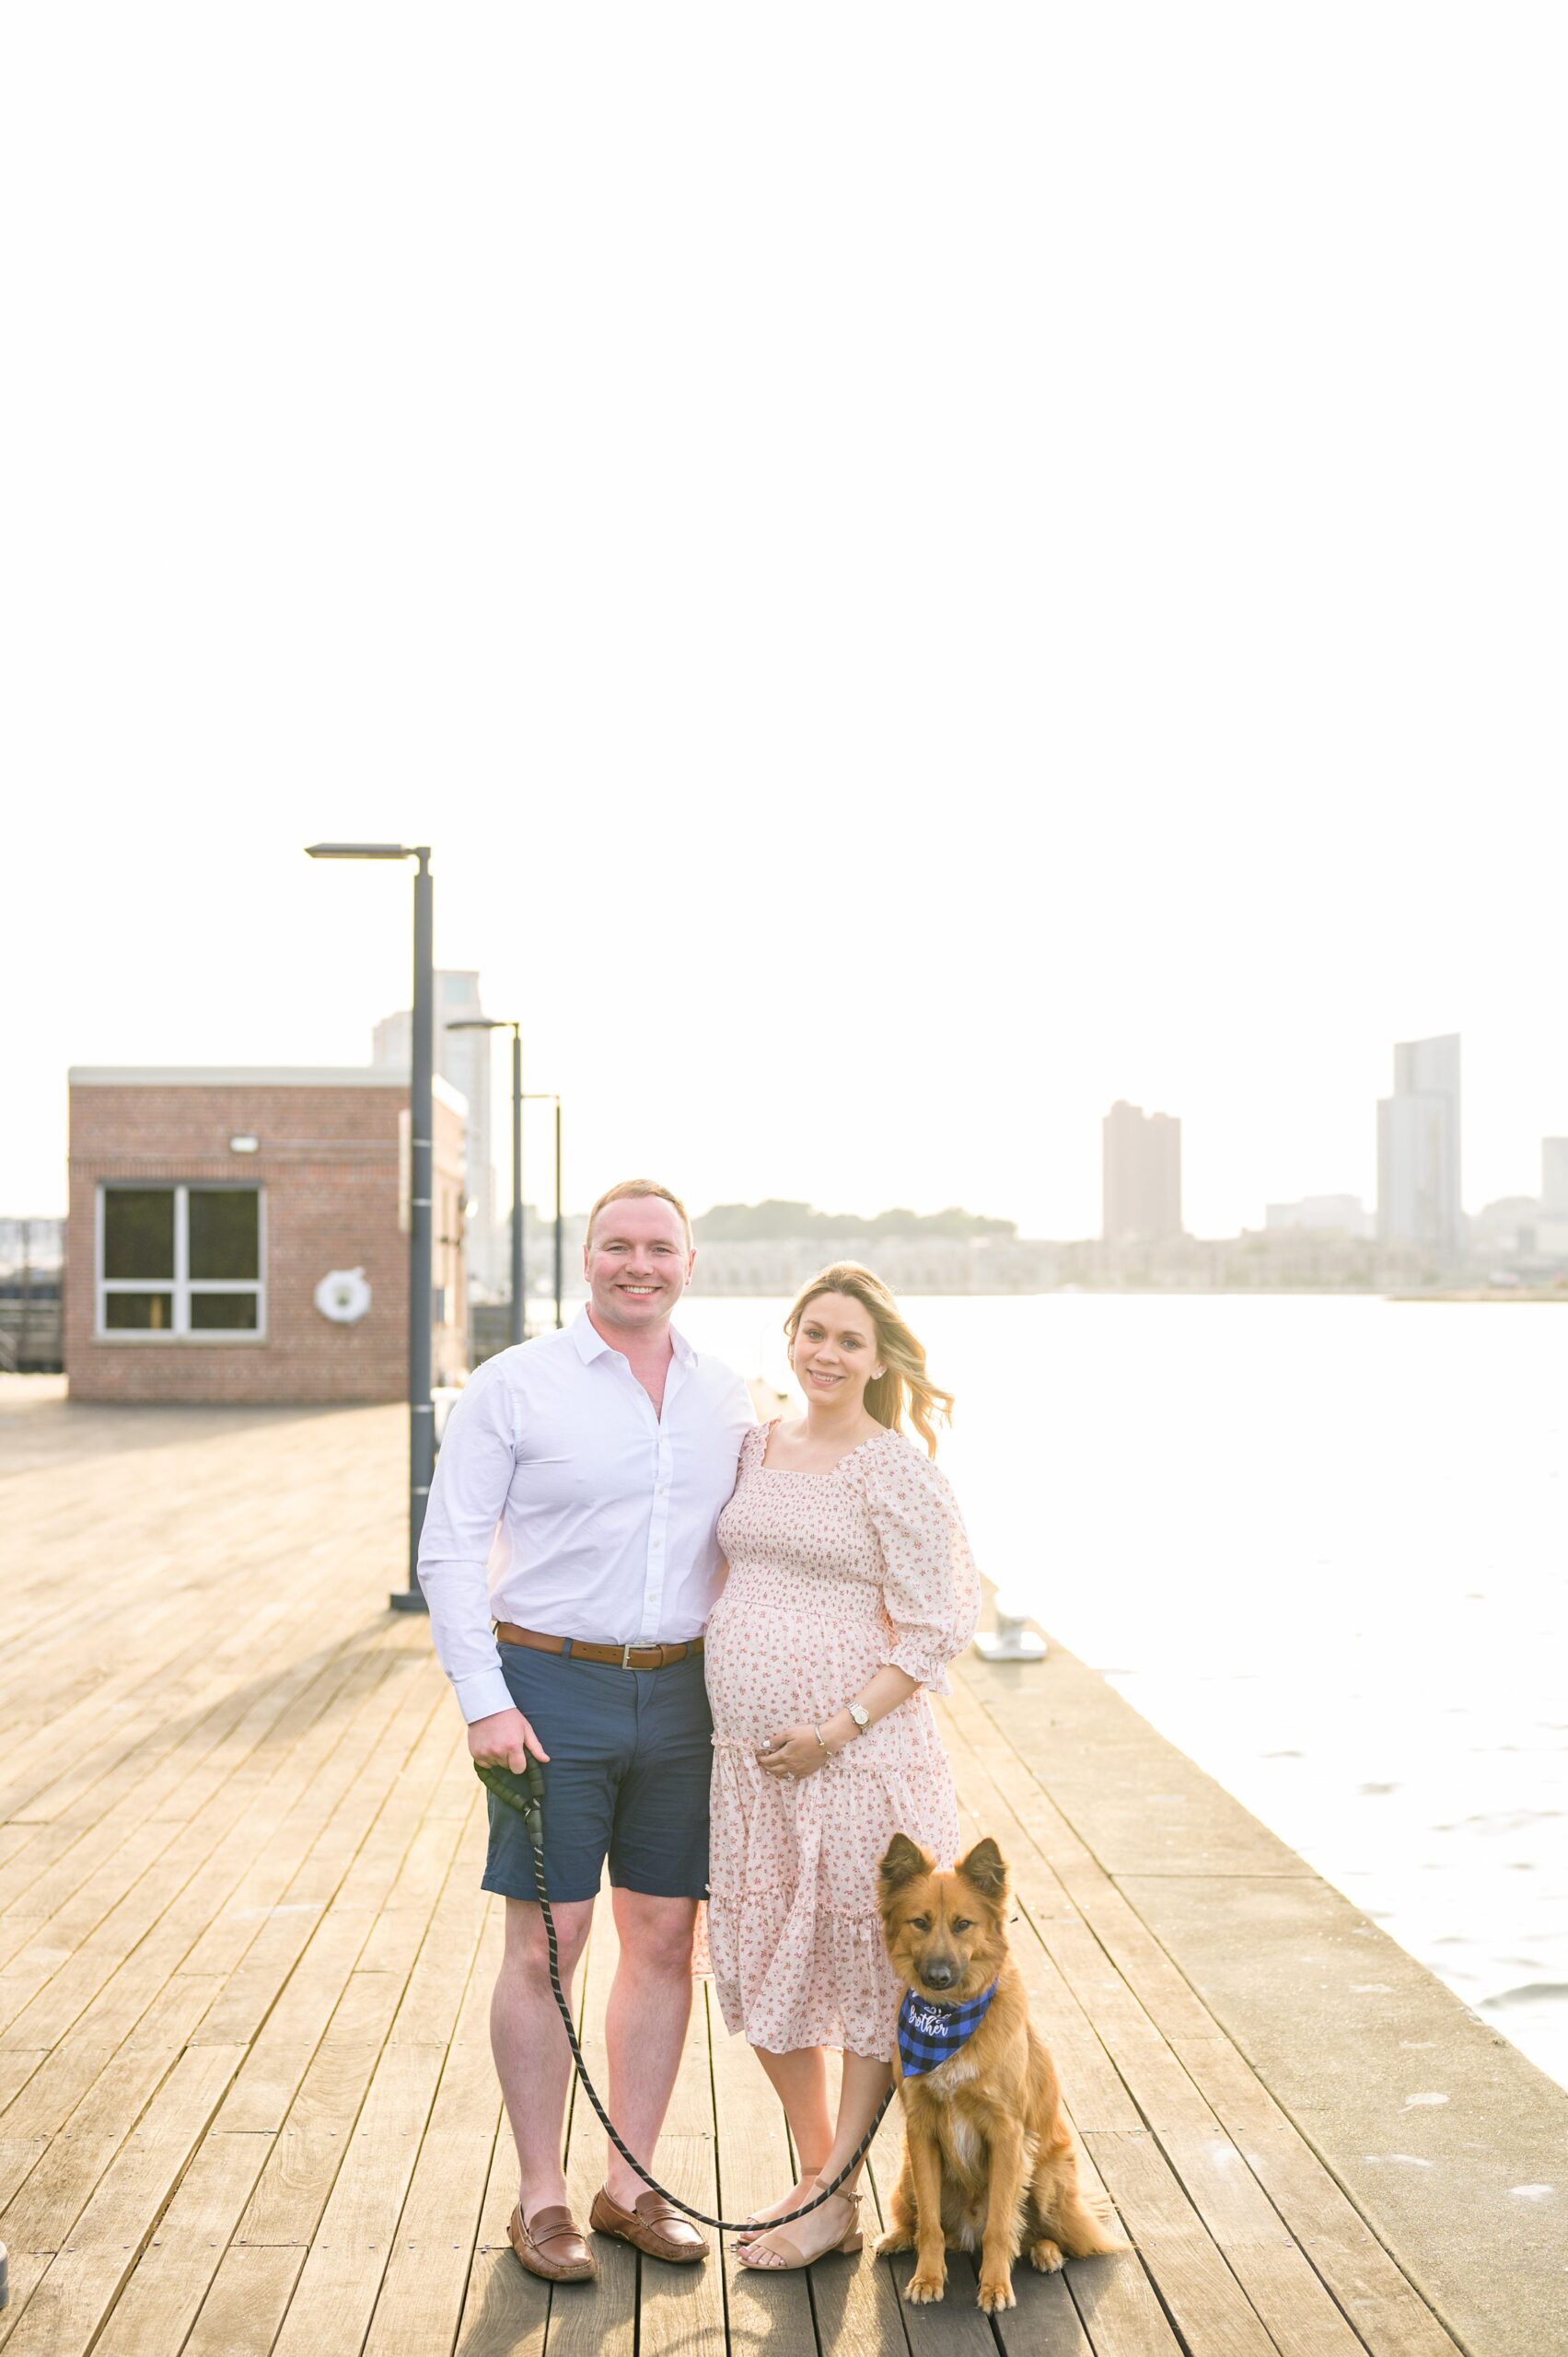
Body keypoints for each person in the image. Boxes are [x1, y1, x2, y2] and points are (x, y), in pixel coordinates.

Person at [417, 1178, 753, 2284]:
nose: (637, 1264)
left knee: (663, 1940)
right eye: (618, 1245)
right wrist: (482, 1697)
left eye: (659, 1247)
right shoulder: (516, 1387)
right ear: (586, 1260)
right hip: (548, 1688)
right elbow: (448, 1551)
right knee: (546, 1942)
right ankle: (542, 2197)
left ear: (689, 1264)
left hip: (686, 1697)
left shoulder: (728, 1398)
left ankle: (629, 2186)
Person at [703, 1261, 981, 2271]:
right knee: (762, 1957)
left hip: (860, 1766)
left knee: (864, 1970)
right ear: (789, 1337)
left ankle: (825, 2194)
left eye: (847, 1340)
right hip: (747, 1773)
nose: (825, 1352)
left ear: (878, 1360)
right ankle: (826, 2177)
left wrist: (834, 1727)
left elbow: (935, 1626)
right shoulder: (751, 1445)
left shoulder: (891, 1467)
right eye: (811, 1332)